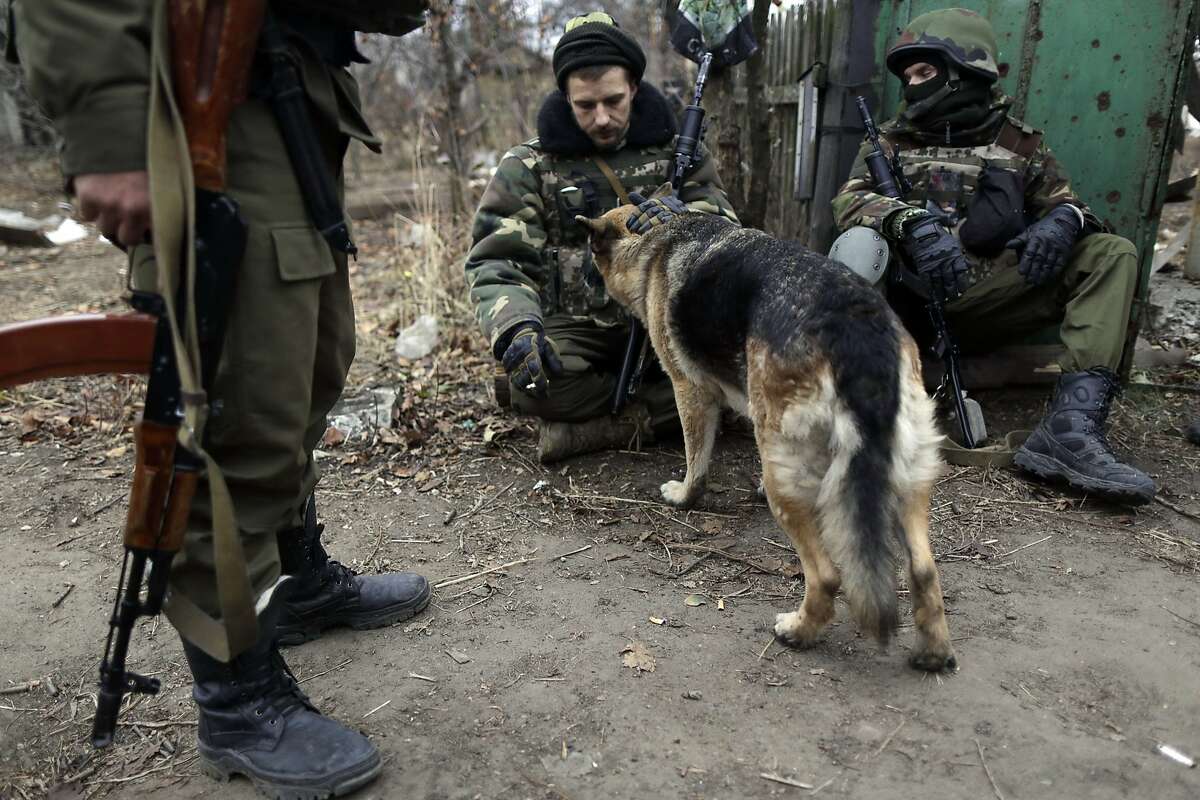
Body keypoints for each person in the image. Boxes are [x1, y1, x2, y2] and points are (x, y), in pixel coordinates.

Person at [8, 1, 430, 794]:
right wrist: (106, 121)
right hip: (201, 87)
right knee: (235, 409)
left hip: (294, 88)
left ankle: (295, 582)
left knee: (308, 369)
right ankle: (238, 695)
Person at [831, 8, 1156, 505]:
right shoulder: (891, 142)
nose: (913, 85)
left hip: (986, 302)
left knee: (1111, 253)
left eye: (925, 72)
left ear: (964, 71)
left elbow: (1071, 203)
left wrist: (1064, 221)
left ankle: (1070, 432)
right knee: (859, 244)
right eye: (907, 76)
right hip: (903, 311)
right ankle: (858, 411)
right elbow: (848, 200)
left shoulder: (1018, 143)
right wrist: (907, 222)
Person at [465, 11, 739, 463]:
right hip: (580, 329)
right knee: (533, 386)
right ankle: (669, 409)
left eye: (614, 100)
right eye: (585, 106)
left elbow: (725, 229)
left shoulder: (678, 153)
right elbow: (497, 259)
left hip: (666, 324)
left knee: (731, 371)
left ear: (633, 86)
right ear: (565, 97)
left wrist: (684, 218)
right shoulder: (529, 165)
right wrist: (515, 327)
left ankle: (608, 425)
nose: (603, 118)